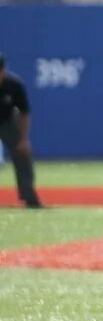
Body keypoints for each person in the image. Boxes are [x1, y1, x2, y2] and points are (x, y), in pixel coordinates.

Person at [0, 53, 43, 209]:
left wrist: (23, 139)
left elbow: (24, 113)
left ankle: (29, 197)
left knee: (23, 153)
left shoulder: (14, 85)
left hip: (7, 122)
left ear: (4, 70)